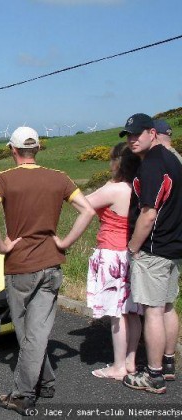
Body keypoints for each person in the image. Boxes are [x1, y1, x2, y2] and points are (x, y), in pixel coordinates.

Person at [0, 126, 95, 416]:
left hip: (19, 266)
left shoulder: (4, 179)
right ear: (38, 149)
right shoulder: (60, 178)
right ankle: (45, 382)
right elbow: (88, 211)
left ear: (13, 150)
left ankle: (22, 394)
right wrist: (65, 241)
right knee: (38, 330)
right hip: (51, 264)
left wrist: (2, 246)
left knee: (28, 333)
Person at [119, 113, 182, 394]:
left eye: (137, 134)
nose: (133, 140)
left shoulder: (152, 166)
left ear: (152, 133)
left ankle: (153, 374)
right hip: (174, 245)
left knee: (153, 311)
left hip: (154, 248)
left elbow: (148, 214)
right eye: (129, 136)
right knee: (168, 305)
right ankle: (168, 364)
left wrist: (133, 248)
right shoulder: (173, 160)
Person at [86, 142, 142, 380]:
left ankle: (118, 366)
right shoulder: (140, 186)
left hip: (112, 252)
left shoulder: (114, 189)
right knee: (133, 311)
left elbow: (82, 202)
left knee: (116, 313)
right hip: (133, 252)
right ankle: (131, 359)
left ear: (117, 163)